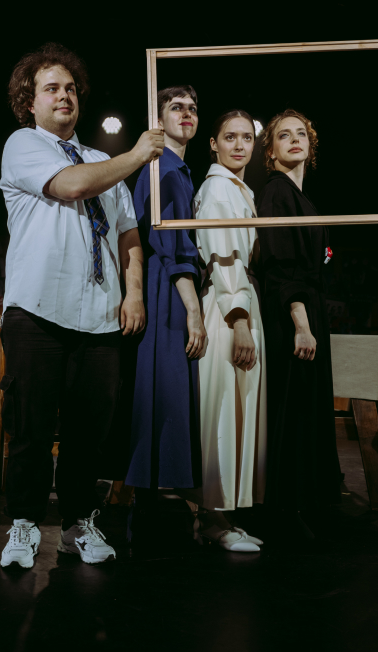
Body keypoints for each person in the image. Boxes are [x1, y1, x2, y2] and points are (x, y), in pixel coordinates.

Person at [0, 42, 164, 568]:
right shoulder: (24, 144)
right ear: (30, 102)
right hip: (37, 310)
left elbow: (127, 231)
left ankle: (77, 525)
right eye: (51, 88)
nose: (64, 95)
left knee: (89, 433)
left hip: (98, 315)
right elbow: (70, 186)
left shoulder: (101, 160)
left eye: (70, 88)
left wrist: (133, 291)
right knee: (31, 429)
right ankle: (24, 524)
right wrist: (136, 155)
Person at [256, 108, 341, 538]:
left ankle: (308, 504)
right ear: (270, 151)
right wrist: (301, 323)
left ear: (311, 145)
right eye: (284, 135)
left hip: (309, 312)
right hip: (293, 316)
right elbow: (281, 266)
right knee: (294, 409)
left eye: (301, 134)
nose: (295, 140)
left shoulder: (302, 196)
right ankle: (286, 512)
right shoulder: (277, 192)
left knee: (308, 408)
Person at [125, 86, 206, 538]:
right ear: (159, 120)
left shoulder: (178, 169)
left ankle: (153, 498)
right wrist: (193, 309)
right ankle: (147, 501)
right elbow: (170, 246)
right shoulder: (164, 169)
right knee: (163, 388)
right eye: (177, 107)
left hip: (168, 283)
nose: (186, 114)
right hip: (165, 288)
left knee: (166, 390)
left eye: (192, 108)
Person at [187, 110, 266, 552]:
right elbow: (224, 257)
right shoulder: (218, 188)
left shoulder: (238, 188)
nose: (239, 145)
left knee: (234, 407)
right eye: (230, 137)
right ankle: (213, 520)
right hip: (227, 308)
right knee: (222, 412)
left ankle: (221, 516)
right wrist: (239, 321)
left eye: (247, 138)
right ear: (213, 144)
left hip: (238, 304)